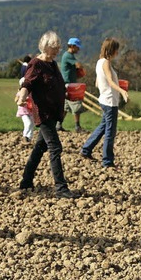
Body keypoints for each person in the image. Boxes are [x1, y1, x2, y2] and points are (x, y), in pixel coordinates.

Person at [16, 31, 78, 199]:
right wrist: (22, 96)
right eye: (54, 46)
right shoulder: (36, 63)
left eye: (58, 46)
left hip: (53, 111)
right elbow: (28, 82)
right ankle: (60, 187)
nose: (58, 49)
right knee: (55, 147)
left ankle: (26, 181)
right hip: (43, 113)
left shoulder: (52, 63)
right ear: (45, 46)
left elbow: (55, 84)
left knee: (40, 147)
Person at [80, 38, 129, 168]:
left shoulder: (99, 62)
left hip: (104, 99)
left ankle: (86, 150)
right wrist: (122, 91)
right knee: (110, 132)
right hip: (110, 102)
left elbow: (98, 82)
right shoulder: (106, 63)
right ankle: (107, 161)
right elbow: (110, 82)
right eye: (117, 50)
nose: (118, 52)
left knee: (103, 127)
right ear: (112, 50)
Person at [58, 37, 86, 133]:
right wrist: (81, 70)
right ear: (73, 46)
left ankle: (58, 125)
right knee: (76, 104)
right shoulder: (68, 55)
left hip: (66, 84)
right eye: (77, 47)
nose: (78, 49)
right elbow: (78, 65)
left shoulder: (67, 55)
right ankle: (77, 127)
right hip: (70, 85)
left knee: (65, 107)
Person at [16, 77, 35, 144]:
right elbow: (16, 99)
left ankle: (29, 138)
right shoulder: (20, 92)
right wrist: (21, 100)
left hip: (31, 111)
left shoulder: (32, 92)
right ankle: (25, 136)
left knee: (32, 124)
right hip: (23, 112)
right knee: (28, 123)